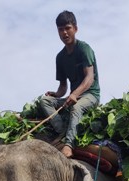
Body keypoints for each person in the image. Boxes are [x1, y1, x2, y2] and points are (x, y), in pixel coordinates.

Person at [38, 10, 100, 158]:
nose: (64, 33)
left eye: (68, 28)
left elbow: (89, 78)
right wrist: (56, 94)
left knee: (76, 108)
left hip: (90, 95)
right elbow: (63, 87)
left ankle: (68, 144)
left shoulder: (84, 49)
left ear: (75, 29)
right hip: (72, 97)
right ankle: (62, 131)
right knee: (44, 100)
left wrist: (75, 94)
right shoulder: (60, 57)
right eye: (61, 30)